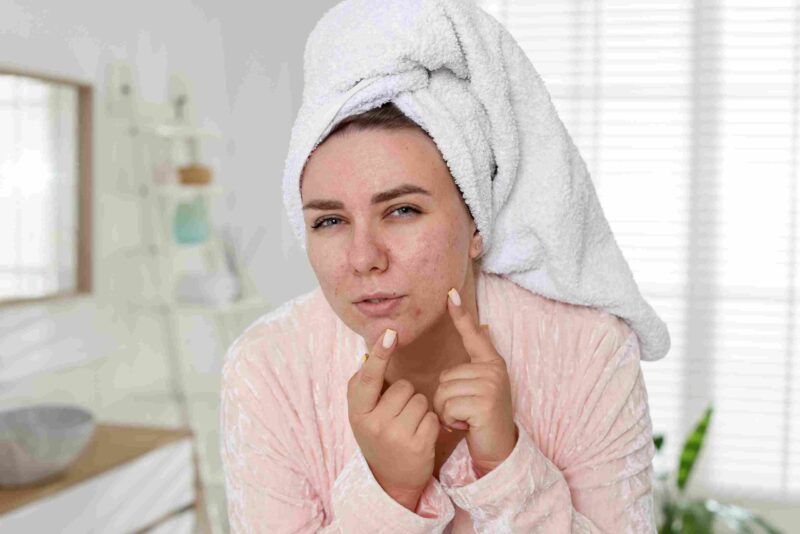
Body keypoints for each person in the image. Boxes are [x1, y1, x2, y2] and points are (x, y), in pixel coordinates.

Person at [220, 102, 658, 533]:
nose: (363, 258)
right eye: (330, 220)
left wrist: (505, 472)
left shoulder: (589, 349)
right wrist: (388, 494)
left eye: (402, 210)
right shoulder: (267, 368)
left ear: (475, 224)